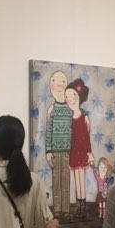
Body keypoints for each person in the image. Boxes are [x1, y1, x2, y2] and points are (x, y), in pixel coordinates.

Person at [45, 70, 73, 219]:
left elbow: (74, 131)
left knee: (66, 181)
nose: (59, 85)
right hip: (55, 152)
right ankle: (57, 209)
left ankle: (66, 209)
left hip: (68, 152)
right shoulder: (52, 109)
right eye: (55, 82)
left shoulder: (70, 110)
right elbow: (48, 131)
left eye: (62, 81)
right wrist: (48, 151)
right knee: (56, 181)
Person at [66, 79, 94, 219]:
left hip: (82, 152)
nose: (70, 99)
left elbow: (87, 137)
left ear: (79, 97)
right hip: (73, 153)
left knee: (81, 179)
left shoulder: (84, 117)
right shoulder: (68, 118)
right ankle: (79, 206)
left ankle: (83, 207)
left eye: (73, 96)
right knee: (77, 181)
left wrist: (89, 154)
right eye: (67, 97)